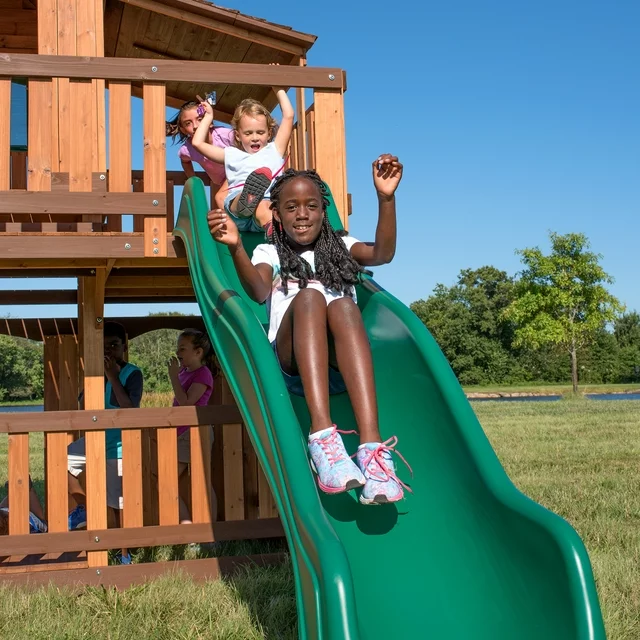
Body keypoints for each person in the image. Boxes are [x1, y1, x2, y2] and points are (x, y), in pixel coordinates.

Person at [207, 154, 410, 505]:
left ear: (323, 211)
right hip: (293, 364)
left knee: (344, 305)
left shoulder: (342, 246)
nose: (302, 214)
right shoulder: (270, 252)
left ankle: (372, 449)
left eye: (311, 206)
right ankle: (322, 438)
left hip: (339, 367)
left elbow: (382, 253)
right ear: (277, 215)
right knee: (310, 297)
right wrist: (238, 246)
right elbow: (257, 290)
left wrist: (386, 199)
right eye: (291, 207)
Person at [67, 322, 143, 562]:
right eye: (104, 346)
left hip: (118, 446)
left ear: (124, 347)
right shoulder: (95, 373)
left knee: (118, 503)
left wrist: (112, 375)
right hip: (94, 439)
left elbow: (128, 408)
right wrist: (99, 376)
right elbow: (83, 404)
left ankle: (124, 553)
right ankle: (84, 509)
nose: (108, 350)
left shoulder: (133, 374)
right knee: (62, 461)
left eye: (114, 345)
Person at [192, 88, 294, 233]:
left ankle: (273, 230)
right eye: (248, 133)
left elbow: (288, 116)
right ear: (238, 136)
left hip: (266, 207)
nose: (255, 137)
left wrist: (278, 89)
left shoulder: (274, 149)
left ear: (269, 133)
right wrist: (208, 117)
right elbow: (198, 143)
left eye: (260, 132)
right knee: (239, 199)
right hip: (238, 214)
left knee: (264, 206)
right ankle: (246, 200)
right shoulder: (231, 154)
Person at [167, 329, 216, 524]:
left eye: (182, 348)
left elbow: (186, 403)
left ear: (198, 352)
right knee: (170, 481)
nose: (177, 352)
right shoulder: (183, 372)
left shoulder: (203, 374)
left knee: (199, 481)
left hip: (194, 432)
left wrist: (173, 377)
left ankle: (205, 527)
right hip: (183, 432)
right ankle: (188, 524)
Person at [166, 99, 234, 210]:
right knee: (224, 202)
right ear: (183, 130)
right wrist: (193, 179)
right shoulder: (188, 149)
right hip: (223, 182)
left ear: (209, 121)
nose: (195, 126)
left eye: (200, 119)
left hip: (238, 174)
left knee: (220, 198)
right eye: (188, 123)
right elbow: (185, 160)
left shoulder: (226, 135)